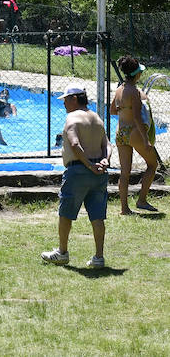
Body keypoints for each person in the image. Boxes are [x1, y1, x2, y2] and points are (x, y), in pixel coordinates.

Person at [42, 84, 109, 268]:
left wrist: (88, 164)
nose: (63, 103)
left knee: (66, 213)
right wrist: (104, 161)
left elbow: (74, 144)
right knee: (97, 216)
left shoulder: (71, 118)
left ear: (74, 99)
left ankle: (62, 252)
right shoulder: (97, 118)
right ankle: (98, 257)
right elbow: (107, 144)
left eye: (65, 99)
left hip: (78, 171)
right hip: (100, 174)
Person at [112, 56, 160, 214]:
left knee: (125, 172)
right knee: (153, 165)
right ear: (137, 74)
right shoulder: (134, 92)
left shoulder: (119, 89)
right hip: (134, 132)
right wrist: (146, 140)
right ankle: (142, 200)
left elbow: (113, 110)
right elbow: (138, 118)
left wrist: (123, 109)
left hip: (120, 132)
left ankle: (124, 209)